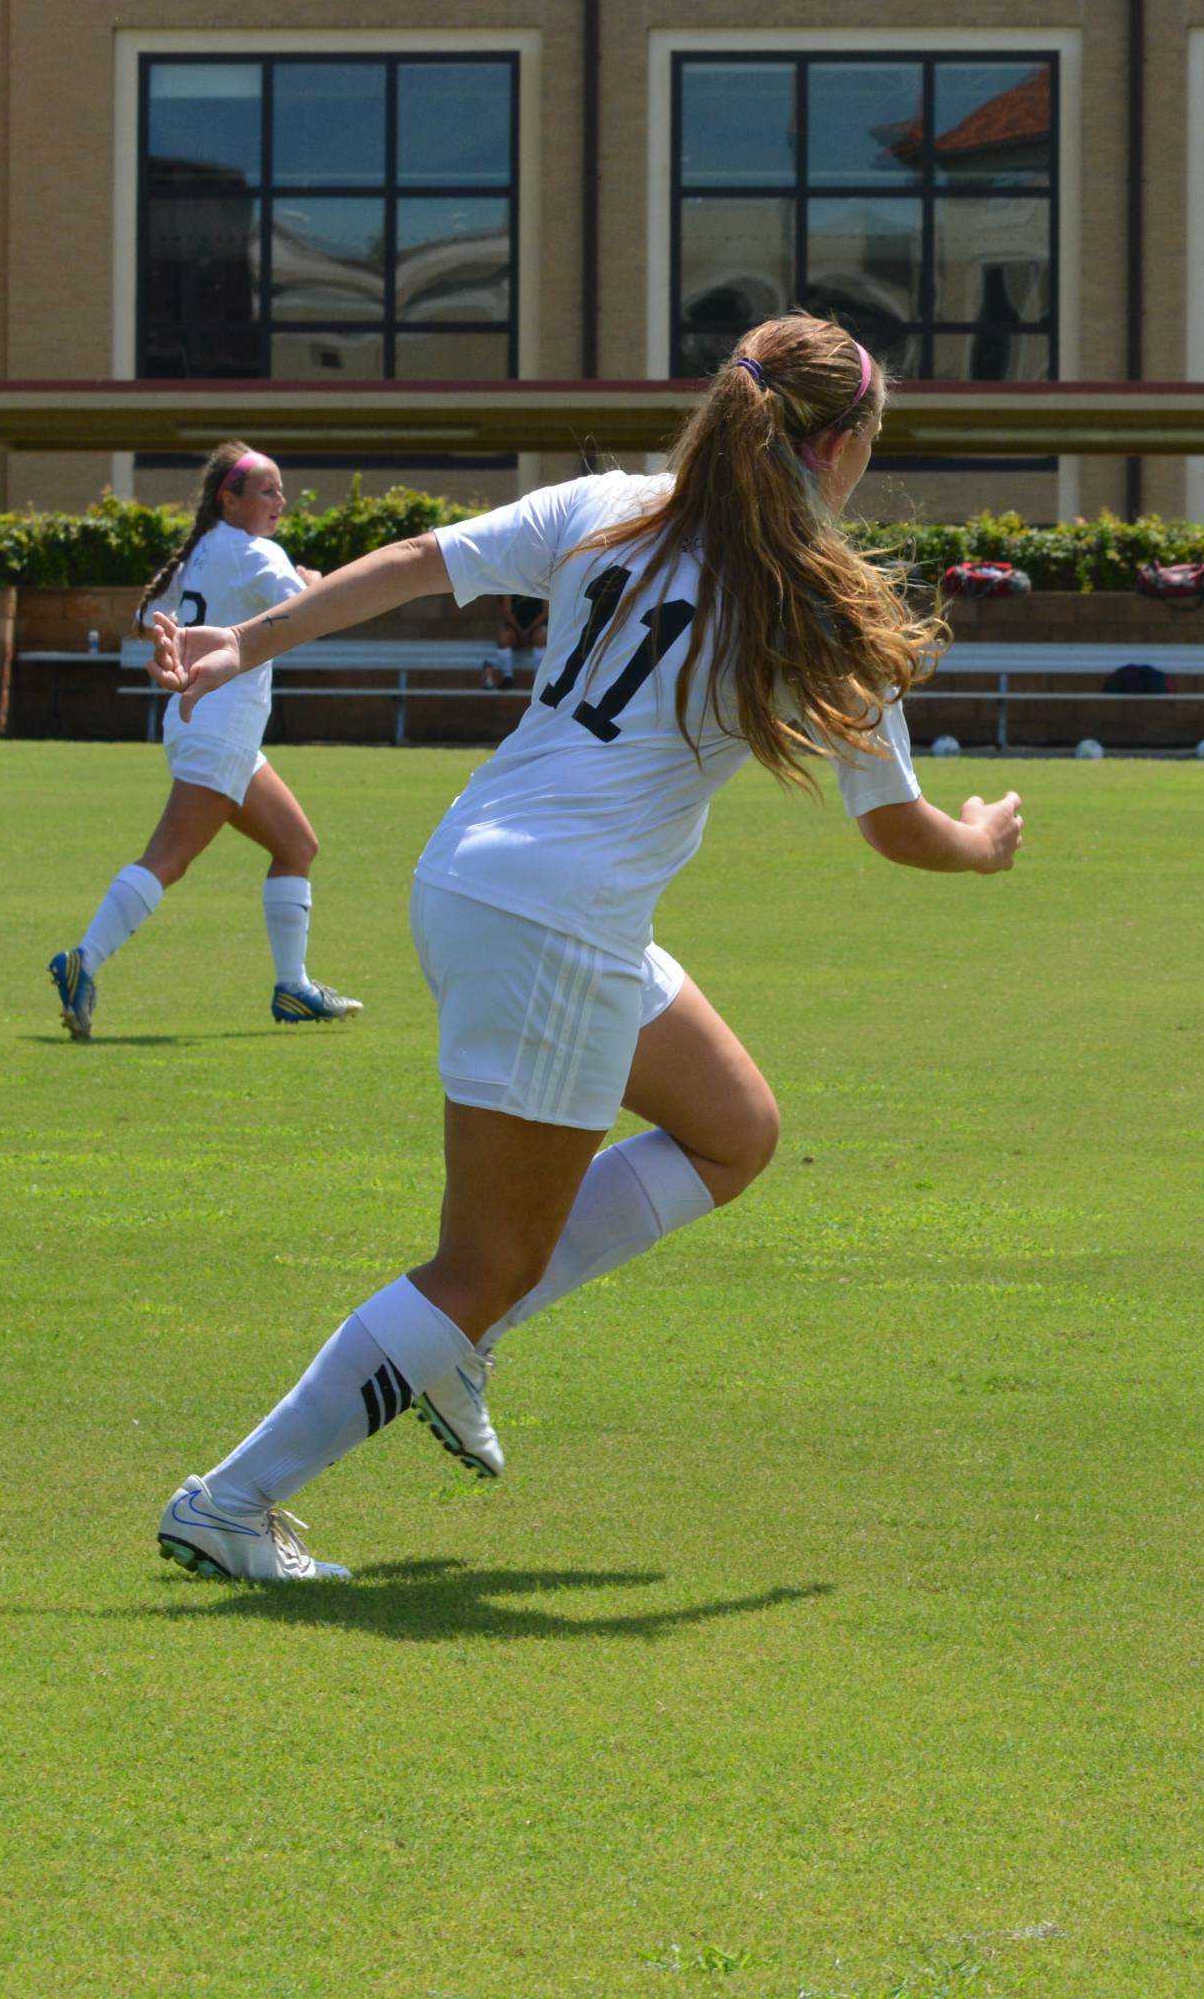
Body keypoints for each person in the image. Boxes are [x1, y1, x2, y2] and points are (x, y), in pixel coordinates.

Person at [144, 315, 1025, 1580]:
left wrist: (245, 643)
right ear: (839, 449)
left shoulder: (619, 502)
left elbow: (413, 558)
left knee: (735, 1127)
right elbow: (899, 830)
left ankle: (467, 1342)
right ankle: (233, 1500)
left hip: (483, 877)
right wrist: (982, 843)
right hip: (551, 918)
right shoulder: (814, 591)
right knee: (480, 1262)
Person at [46, 443, 361, 1039]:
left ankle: (293, 989)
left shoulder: (205, 551)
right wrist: (312, 580)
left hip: (212, 729)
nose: (280, 501)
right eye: (267, 490)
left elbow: (153, 623)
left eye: (279, 489)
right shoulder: (254, 551)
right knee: (168, 860)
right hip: (219, 730)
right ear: (231, 499)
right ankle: (82, 960)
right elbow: (308, 609)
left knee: (297, 844)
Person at [487, 593, 548, 690]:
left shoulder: (540, 584)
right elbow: (507, 611)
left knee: (541, 636)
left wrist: (528, 630)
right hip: (516, 628)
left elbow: (545, 612)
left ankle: (538, 679)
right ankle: (507, 677)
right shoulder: (512, 583)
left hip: (535, 628)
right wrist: (520, 631)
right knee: (503, 637)